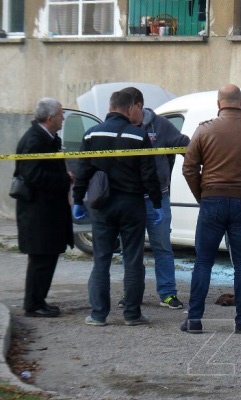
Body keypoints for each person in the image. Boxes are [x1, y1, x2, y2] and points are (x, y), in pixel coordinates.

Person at [180, 84, 241, 334]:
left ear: (219, 103)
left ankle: (194, 320)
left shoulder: (204, 130)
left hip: (212, 201)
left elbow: (189, 168)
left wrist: (202, 195)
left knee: (203, 262)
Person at [72, 90, 164, 326]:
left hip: (102, 206)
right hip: (132, 205)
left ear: (110, 107)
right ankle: (132, 314)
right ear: (129, 108)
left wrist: (78, 200)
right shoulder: (138, 134)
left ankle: (98, 314)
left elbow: (83, 170)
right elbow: (149, 174)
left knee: (101, 259)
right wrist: (156, 203)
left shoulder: (92, 134)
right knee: (132, 259)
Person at [118, 86, 190, 310]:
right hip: (129, 200)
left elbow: (185, 144)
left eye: (128, 108)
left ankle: (168, 294)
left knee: (162, 247)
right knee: (131, 249)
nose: (124, 112)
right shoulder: (120, 125)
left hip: (157, 199)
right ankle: (132, 294)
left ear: (138, 106)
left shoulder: (160, 126)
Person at [15, 98, 73, 318]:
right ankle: (33, 304)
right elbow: (32, 175)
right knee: (41, 259)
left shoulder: (46, 138)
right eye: (60, 113)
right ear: (50, 118)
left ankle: (38, 301)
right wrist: (64, 178)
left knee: (46, 257)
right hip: (38, 213)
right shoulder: (34, 140)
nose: (63, 117)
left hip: (47, 212)